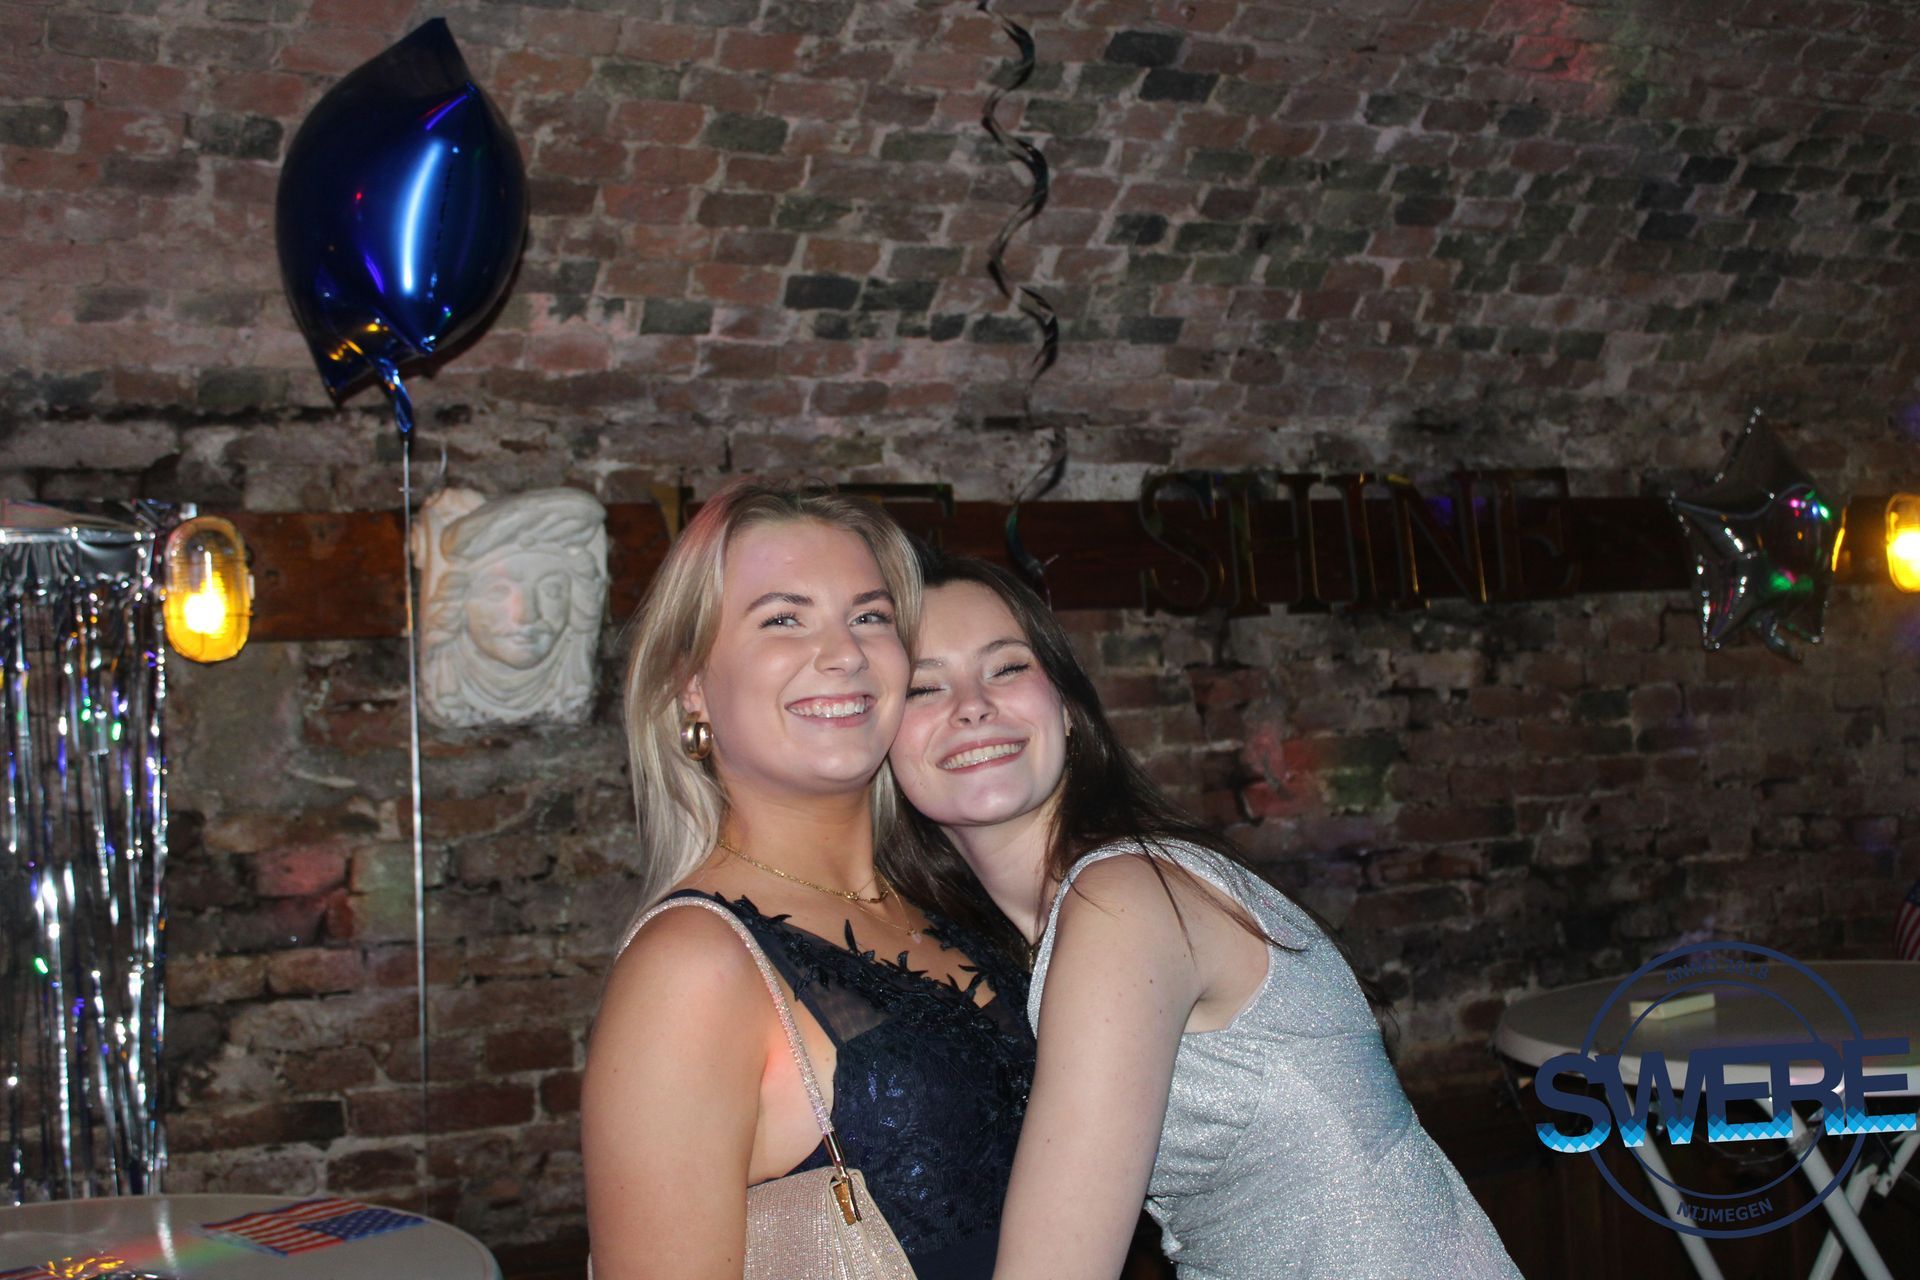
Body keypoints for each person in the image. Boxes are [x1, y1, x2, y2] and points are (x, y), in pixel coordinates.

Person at [886, 550, 1522, 1280]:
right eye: (922, 687)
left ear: (1067, 709)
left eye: (1006, 668)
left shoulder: (1123, 900)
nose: (972, 704)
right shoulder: (1033, 929)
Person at [582, 483, 1034, 1280]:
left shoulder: (950, 897)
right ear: (692, 684)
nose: (845, 654)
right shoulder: (692, 966)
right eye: (783, 619)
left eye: (870, 617)